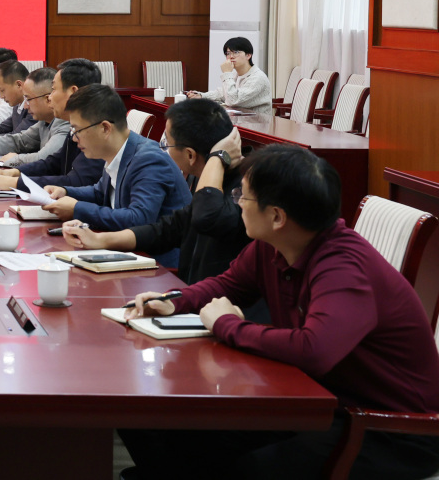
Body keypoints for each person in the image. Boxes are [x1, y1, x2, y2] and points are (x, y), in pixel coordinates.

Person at [121, 146, 439, 480]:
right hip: (318, 402)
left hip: (392, 429)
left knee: (251, 468)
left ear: (277, 217)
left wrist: (227, 324)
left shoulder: (343, 267)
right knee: (176, 434)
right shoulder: (275, 245)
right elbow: (229, 284)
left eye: (242, 196)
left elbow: (313, 350)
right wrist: (176, 300)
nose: (237, 203)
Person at [62, 98, 254, 290]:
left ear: (190, 155)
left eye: (167, 144)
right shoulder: (210, 180)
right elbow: (166, 229)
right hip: (194, 293)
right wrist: (98, 240)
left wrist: (217, 158)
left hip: (219, 301)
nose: (164, 150)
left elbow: (206, 217)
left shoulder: (246, 190)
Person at [41, 84, 191, 267]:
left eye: (77, 131)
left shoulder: (148, 159)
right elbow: (99, 192)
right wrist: (65, 192)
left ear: (105, 128)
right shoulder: (120, 151)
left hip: (160, 268)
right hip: (130, 257)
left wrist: (77, 208)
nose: (74, 138)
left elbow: (139, 219)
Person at [0, 57, 105, 191]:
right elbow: (53, 162)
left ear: (73, 92)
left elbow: (76, 181)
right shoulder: (78, 125)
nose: (49, 97)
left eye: (54, 89)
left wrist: (16, 183)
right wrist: (15, 173)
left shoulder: (96, 129)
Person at [0, 67, 68, 166]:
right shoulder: (43, 122)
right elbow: (18, 140)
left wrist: (16, 159)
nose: (25, 106)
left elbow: (44, 158)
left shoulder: (64, 123)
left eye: (28, 99)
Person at [187, 36, 273, 117]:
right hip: (240, 121)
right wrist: (201, 96)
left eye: (236, 52)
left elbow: (233, 100)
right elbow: (223, 94)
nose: (231, 57)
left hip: (257, 123)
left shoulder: (258, 77)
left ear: (248, 55)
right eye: (228, 53)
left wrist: (227, 73)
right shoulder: (237, 74)